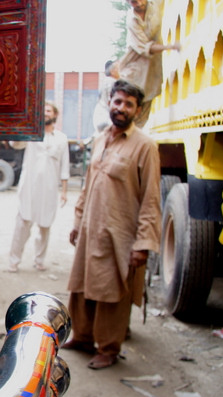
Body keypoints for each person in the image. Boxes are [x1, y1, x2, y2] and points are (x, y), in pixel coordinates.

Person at [63, 79, 161, 369]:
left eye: (128, 104)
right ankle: (82, 337)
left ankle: (108, 348)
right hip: (91, 228)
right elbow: (88, 184)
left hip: (120, 233)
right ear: (109, 103)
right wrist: (78, 221)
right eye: (117, 101)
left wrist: (143, 244)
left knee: (111, 291)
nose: (121, 108)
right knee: (82, 285)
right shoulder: (102, 137)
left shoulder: (145, 146)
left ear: (138, 110)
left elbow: (151, 198)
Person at [7, 102, 70, 273]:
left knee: (45, 225)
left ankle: (39, 260)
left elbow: (65, 167)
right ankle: (14, 261)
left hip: (49, 189)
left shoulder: (62, 138)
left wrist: (64, 192)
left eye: (49, 110)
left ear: (55, 114)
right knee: (23, 223)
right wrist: (22, 125)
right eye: (43, 111)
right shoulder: (32, 134)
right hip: (29, 187)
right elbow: (15, 144)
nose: (46, 113)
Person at [118, 0, 180, 127]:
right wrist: (169, 47)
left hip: (152, 70)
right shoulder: (132, 20)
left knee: (143, 113)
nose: (136, 3)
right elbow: (146, 48)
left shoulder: (156, 4)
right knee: (129, 110)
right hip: (134, 70)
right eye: (132, 2)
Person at [92, 59, 119, 133]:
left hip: (101, 117)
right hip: (106, 118)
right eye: (118, 68)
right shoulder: (112, 82)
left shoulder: (106, 81)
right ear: (112, 71)